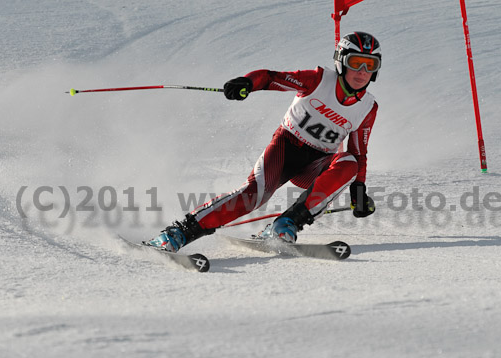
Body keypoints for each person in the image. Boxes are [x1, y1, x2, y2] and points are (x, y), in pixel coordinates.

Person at [146, 31, 380, 253]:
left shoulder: (368, 107)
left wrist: (358, 190)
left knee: (350, 163)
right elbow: (270, 78)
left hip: (316, 164)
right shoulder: (318, 80)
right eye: (356, 62)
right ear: (341, 61)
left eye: (369, 65)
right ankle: (177, 234)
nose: (361, 71)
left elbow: (359, 153)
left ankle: (285, 225)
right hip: (286, 147)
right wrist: (247, 83)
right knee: (253, 197)